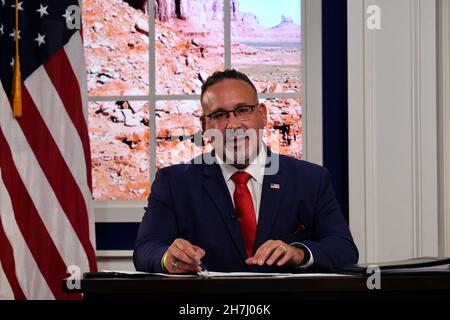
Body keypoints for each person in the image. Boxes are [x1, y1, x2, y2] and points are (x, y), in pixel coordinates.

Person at [134, 69, 358, 273]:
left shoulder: (311, 179)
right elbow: (146, 249)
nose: (232, 125)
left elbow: (343, 248)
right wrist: (168, 258)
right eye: (219, 115)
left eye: (242, 110)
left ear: (262, 115)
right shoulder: (173, 183)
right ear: (205, 127)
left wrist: (299, 253)